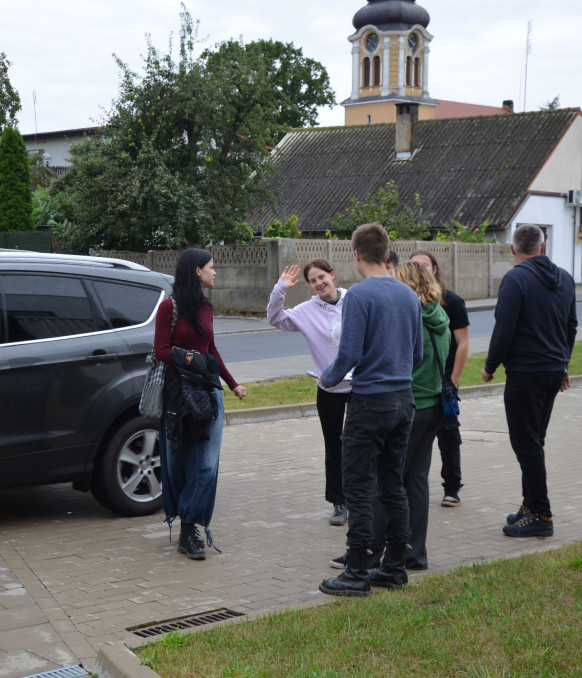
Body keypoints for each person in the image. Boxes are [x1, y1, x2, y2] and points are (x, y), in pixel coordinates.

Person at [318, 223, 423, 597]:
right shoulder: (409, 295)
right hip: (403, 400)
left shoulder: (359, 296)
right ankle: (394, 565)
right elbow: (418, 355)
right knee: (392, 484)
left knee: (358, 486)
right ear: (387, 252)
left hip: (369, 402)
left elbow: (349, 354)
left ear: (357, 255)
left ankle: (358, 570)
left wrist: (326, 379)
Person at [482, 224, 577, 538]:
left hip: (526, 373)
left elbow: (504, 328)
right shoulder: (565, 278)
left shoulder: (515, 279)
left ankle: (542, 515)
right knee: (534, 443)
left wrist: (490, 366)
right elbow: (570, 326)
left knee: (527, 445)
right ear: (543, 246)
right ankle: (530, 505)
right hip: (552, 372)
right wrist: (563, 364)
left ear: (513, 249)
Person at [155, 248, 247, 560]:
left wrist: (232, 384)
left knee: (205, 464)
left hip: (208, 394)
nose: (215, 272)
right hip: (179, 395)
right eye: (211, 267)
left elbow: (213, 350)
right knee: (179, 462)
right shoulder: (169, 307)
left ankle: (190, 526)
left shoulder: (207, 307)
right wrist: (190, 358)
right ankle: (186, 528)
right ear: (196, 271)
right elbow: (161, 350)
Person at [266, 259, 351, 526]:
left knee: (362, 444)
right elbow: (275, 318)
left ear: (333, 275)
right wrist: (281, 288)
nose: (318, 283)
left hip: (360, 386)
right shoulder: (306, 310)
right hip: (329, 388)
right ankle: (339, 503)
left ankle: (365, 497)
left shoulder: (354, 300)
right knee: (334, 446)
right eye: (313, 281)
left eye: (322, 277)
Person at [392, 262, 450, 571]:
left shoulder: (412, 319)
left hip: (412, 405)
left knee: (393, 479)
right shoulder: (440, 314)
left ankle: (396, 551)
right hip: (435, 406)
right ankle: (416, 553)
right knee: (417, 480)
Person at [409, 250, 470, 507]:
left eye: (425, 265)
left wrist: (454, 379)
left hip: (444, 380)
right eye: (416, 266)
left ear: (434, 269)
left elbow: (463, 343)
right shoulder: (410, 303)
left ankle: (452, 486)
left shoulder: (451, 301)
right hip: (421, 382)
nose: (421, 269)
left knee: (448, 434)